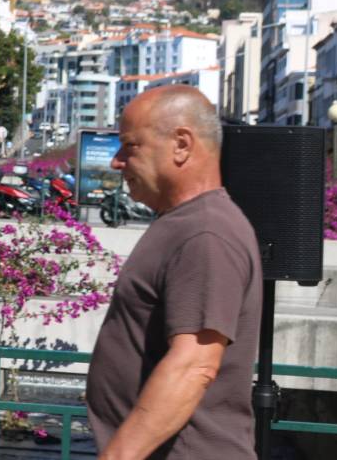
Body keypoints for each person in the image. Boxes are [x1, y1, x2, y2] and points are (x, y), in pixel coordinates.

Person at [88, 85, 262, 459]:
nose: (116, 162)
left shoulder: (206, 232)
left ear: (181, 144)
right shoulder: (187, 224)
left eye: (130, 147)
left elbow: (193, 365)